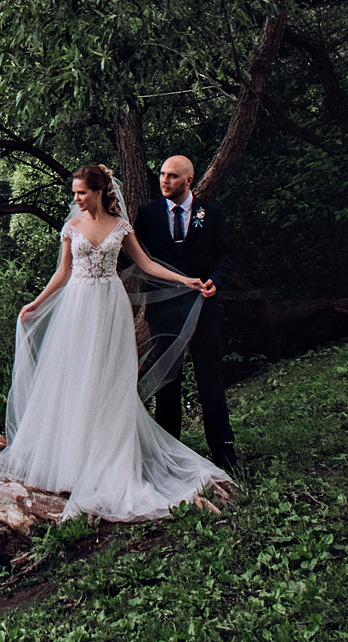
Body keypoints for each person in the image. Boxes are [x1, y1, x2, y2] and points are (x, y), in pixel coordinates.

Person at [0, 163, 228, 521]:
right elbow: (63, 273)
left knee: (108, 381)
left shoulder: (121, 226)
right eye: (74, 193)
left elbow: (148, 264)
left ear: (100, 192)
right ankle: (71, 462)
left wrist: (186, 281)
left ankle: (109, 459)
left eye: (81, 192)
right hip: (77, 309)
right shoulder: (71, 226)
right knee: (75, 379)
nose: (76, 199)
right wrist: (36, 303)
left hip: (110, 307)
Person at [133, 153, 238, 471]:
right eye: (163, 174)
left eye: (173, 176)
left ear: (188, 180)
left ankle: (224, 456)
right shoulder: (147, 214)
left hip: (202, 311)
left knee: (211, 384)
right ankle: (169, 460)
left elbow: (225, 257)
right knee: (168, 386)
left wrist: (214, 282)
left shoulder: (210, 213)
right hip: (163, 312)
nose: (165, 180)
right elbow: (137, 258)